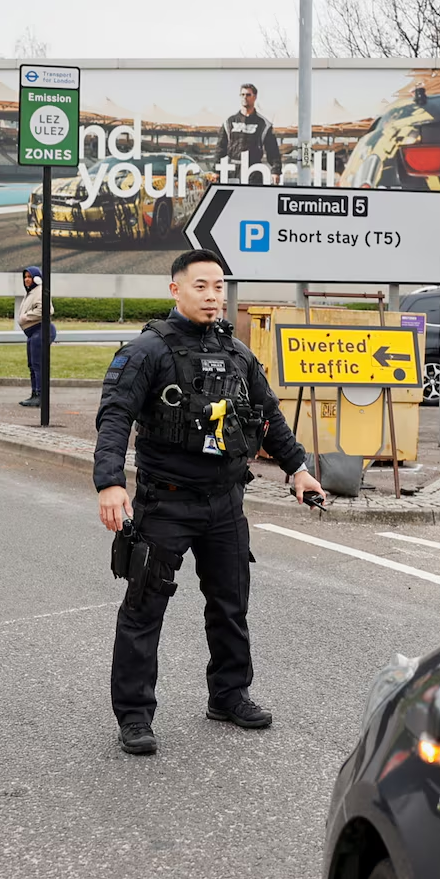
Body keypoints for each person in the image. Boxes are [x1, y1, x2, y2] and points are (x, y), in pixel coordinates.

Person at [93, 248, 325, 756]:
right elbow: (114, 416)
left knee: (229, 605)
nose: (213, 295)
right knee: (143, 608)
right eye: (201, 286)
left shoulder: (238, 355)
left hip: (225, 504)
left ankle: (229, 694)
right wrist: (110, 482)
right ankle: (134, 715)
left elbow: (269, 417)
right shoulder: (147, 351)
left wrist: (300, 470)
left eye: (219, 286)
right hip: (165, 504)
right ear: (175, 290)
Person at [213, 83, 282, 184]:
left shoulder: (263, 124)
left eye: (248, 95)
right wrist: (215, 170)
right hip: (232, 171)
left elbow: (273, 150)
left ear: (255, 97)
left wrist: (276, 170)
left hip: (254, 171)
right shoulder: (229, 122)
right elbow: (220, 148)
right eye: (242, 94)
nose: (245, 97)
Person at [16, 265, 56, 408]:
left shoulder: (40, 291)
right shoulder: (32, 292)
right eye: (25, 277)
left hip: (41, 330)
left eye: (29, 277)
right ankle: (35, 394)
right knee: (32, 364)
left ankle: (40, 395)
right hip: (34, 332)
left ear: (37, 278)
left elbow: (46, 309)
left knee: (38, 364)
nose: (27, 280)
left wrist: (26, 317)